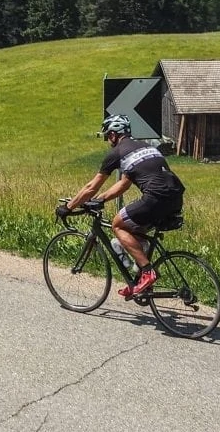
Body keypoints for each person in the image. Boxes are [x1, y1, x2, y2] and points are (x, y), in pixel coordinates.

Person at [60, 113, 185, 299]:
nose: (107, 140)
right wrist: (101, 200)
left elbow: (91, 186)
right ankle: (137, 282)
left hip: (155, 198)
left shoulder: (117, 152)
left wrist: (68, 207)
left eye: (107, 136)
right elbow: (124, 184)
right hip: (176, 197)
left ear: (113, 134)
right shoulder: (145, 146)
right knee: (135, 232)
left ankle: (147, 272)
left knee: (118, 224)